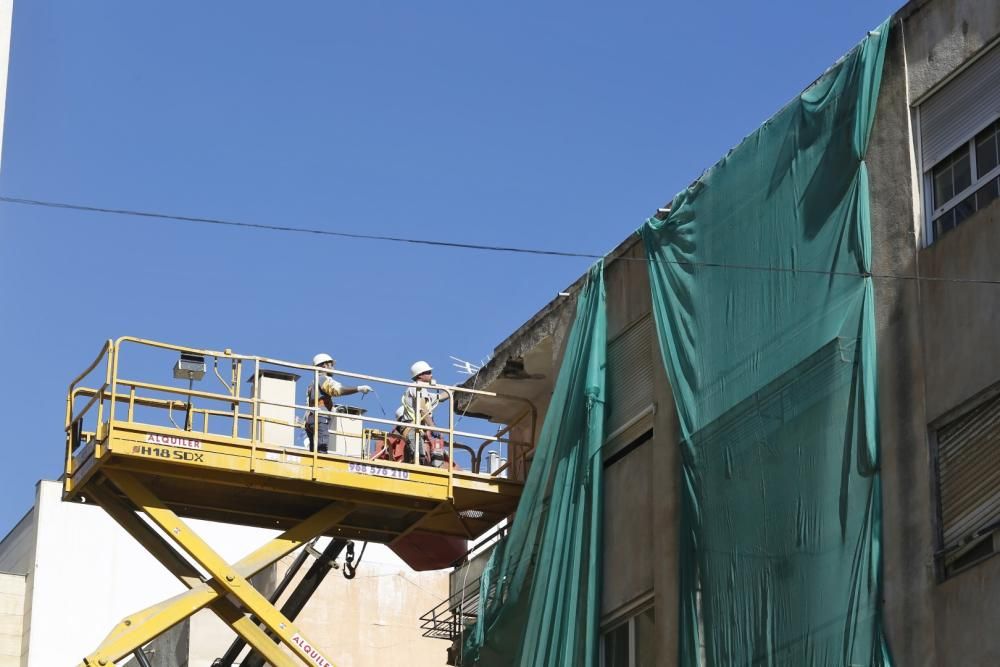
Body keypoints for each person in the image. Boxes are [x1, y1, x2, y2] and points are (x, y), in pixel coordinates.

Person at [305, 353, 372, 453]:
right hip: (320, 417)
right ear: (324, 365)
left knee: (314, 450)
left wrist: (332, 409)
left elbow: (316, 401)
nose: (333, 368)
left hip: (311, 419)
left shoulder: (312, 383)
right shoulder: (323, 379)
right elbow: (337, 390)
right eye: (331, 365)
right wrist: (359, 389)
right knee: (321, 447)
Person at [399, 361, 450, 465]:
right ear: (420, 375)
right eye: (428, 372)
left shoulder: (424, 391)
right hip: (411, 428)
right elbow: (422, 409)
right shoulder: (415, 387)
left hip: (417, 429)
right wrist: (433, 427)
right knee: (418, 456)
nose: (431, 375)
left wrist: (456, 388)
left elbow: (441, 397)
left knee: (420, 457)